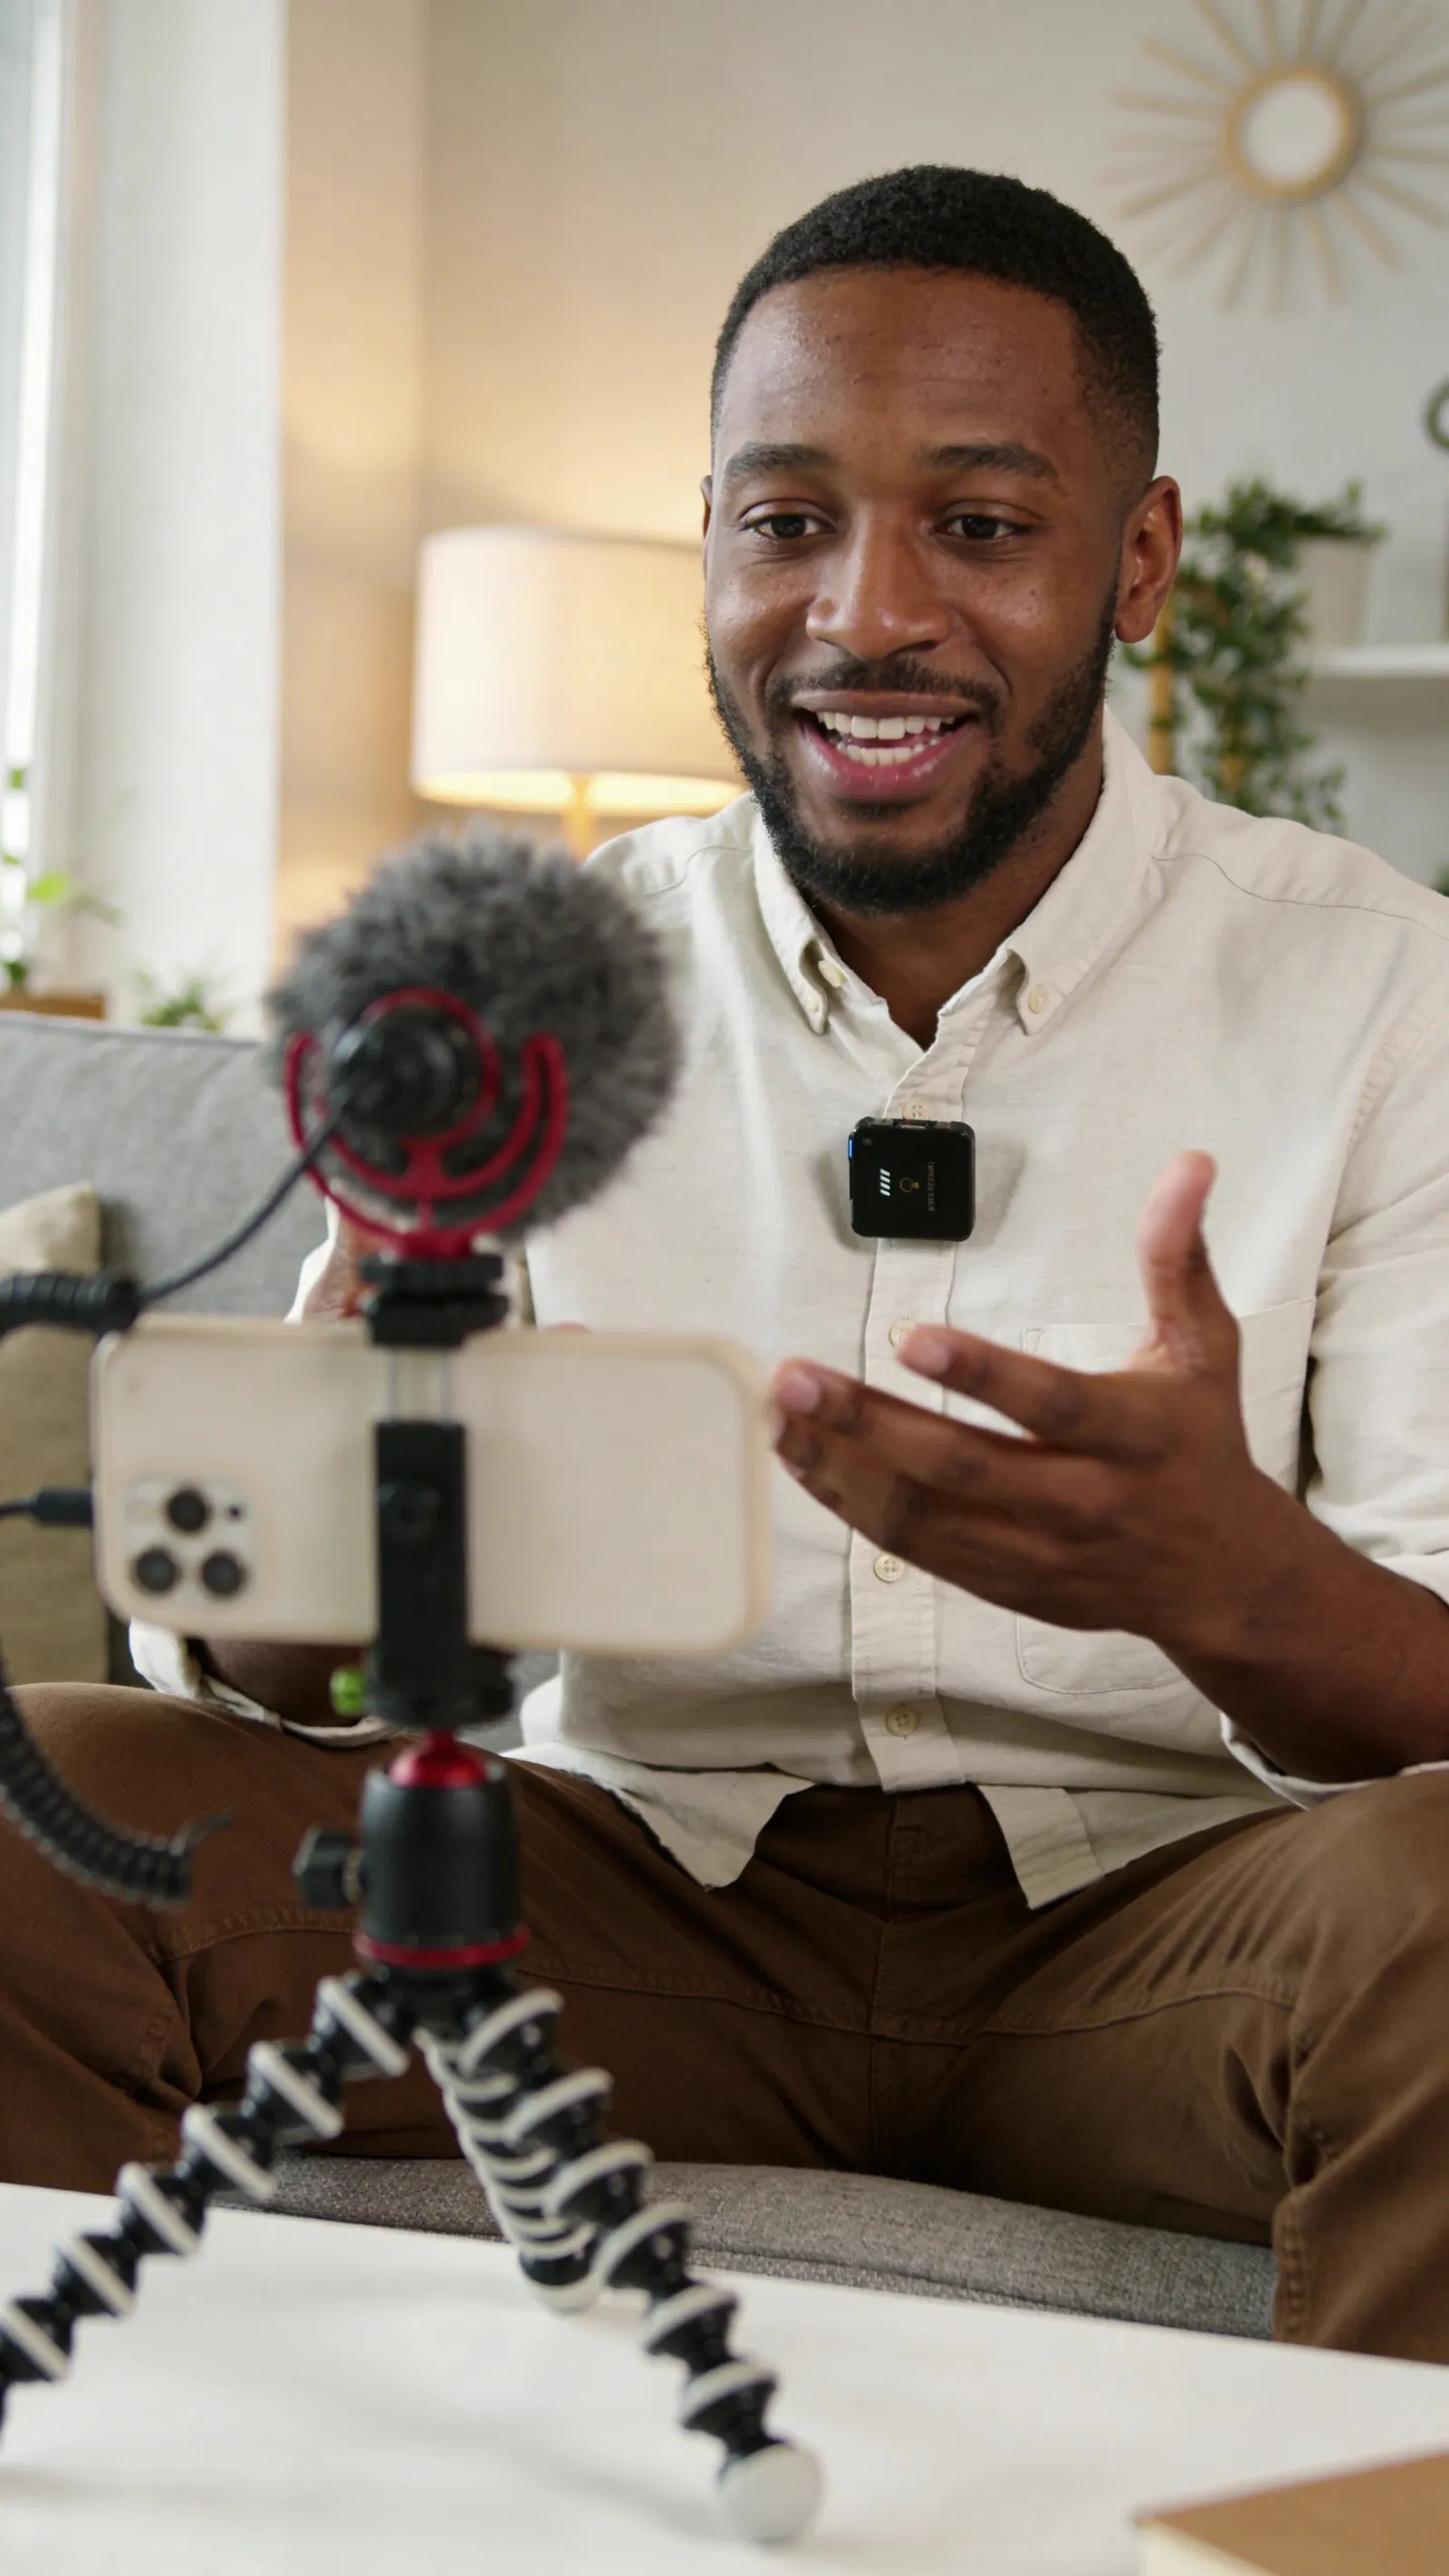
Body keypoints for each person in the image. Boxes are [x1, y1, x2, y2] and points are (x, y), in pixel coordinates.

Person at [8, 165, 1449, 2360]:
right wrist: (332, 1515)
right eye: (783, 522)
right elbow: (266, 1682)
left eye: (979, 524)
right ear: (709, 546)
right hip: (627, 1899)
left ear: (1135, 557)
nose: (866, 614)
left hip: (1164, 1934)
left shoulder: (1378, 992)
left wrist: (1219, 1582)